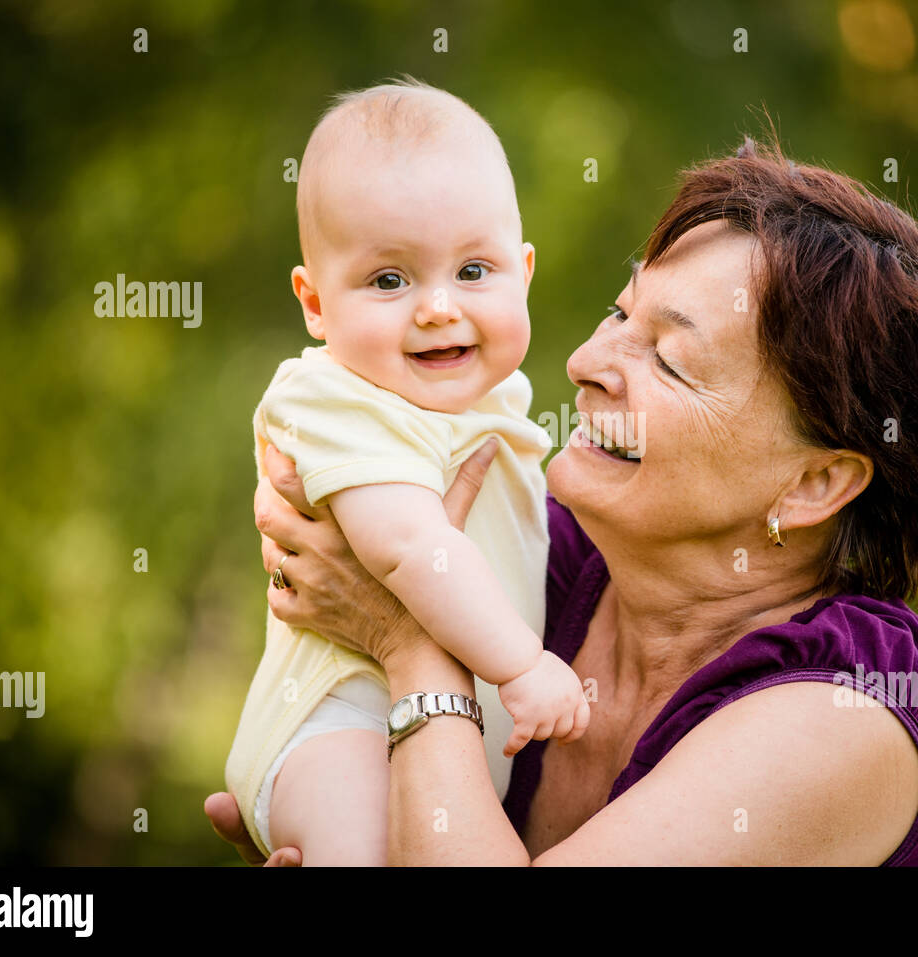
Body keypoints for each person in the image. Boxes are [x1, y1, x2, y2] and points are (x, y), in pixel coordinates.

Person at [208, 133, 918, 865]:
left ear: (815, 482)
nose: (588, 361)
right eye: (619, 311)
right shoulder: (545, 558)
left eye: (668, 361)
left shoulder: (853, 708)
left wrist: (412, 643)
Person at [223, 80, 588, 866]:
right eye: (389, 280)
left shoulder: (494, 400)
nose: (436, 307)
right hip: (336, 729)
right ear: (316, 303)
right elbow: (406, 547)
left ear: (524, 271)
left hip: (433, 736)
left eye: (474, 270)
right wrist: (522, 666)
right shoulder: (334, 397)